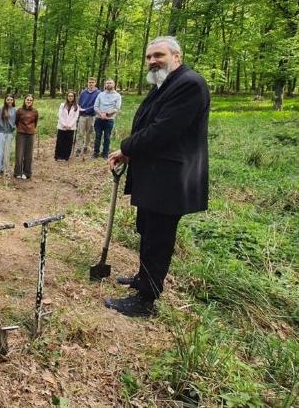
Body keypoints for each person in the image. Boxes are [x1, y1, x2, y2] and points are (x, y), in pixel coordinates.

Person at [105, 36, 210, 317]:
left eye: (158, 55)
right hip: (155, 173)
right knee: (148, 230)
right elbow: (148, 124)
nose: (152, 61)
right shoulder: (165, 84)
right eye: (149, 57)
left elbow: (163, 131)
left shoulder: (189, 84)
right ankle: (142, 278)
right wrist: (130, 153)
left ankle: (146, 300)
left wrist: (126, 148)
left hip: (171, 178)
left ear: (176, 56)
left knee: (159, 237)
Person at [93, 79, 122, 158]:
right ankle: (96, 152)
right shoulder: (100, 94)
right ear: (105, 85)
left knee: (107, 137)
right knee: (98, 136)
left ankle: (105, 154)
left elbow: (117, 108)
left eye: (110, 83)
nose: (108, 84)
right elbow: (95, 106)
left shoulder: (117, 96)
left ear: (114, 84)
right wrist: (100, 114)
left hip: (109, 120)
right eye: (107, 83)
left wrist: (106, 114)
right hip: (99, 119)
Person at [14, 94, 39, 179]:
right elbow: (16, 122)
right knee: (19, 153)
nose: (29, 101)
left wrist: (31, 129)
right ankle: (18, 172)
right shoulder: (19, 110)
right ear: (24, 100)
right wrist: (21, 128)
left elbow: (35, 123)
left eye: (30, 100)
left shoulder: (35, 111)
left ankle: (27, 172)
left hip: (30, 134)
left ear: (32, 101)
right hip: (21, 133)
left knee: (28, 154)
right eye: (27, 99)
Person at [76, 78, 100, 156]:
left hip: (91, 116)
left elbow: (96, 105)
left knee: (89, 133)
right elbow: (79, 103)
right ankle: (79, 148)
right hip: (82, 116)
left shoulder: (98, 93)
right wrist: (79, 109)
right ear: (87, 83)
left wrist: (85, 109)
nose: (91, 84)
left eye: (92, 82)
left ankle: (86, 146)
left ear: (95, 83)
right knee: (80, 132)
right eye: (89, 82)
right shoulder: (83, 92)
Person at [54, 91, 80, 161]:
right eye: (69, 96)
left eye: (72, 96)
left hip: (71, 127)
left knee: (68, 142)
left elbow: (75, 117)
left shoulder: (76, 106)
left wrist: (69, 125)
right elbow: (60, 115)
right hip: (62, 126)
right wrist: (64, 124)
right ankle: (58, 156)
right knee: (60, 141)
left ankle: (66, 157)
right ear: (67, 97)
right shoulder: (62, 105)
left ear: (74, 97)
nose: (70, 97)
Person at [0, 94, 17, 176]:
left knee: (7, 151)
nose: (9, 101)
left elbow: (16, 122)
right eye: (8, 99)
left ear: (13, 101)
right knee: (0, 151)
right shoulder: (0, 109)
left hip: (9, 133)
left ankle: (5, 169)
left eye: (11, 99)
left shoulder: (15, 110)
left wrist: (13, 127)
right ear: (5, 100)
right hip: (0, 132)